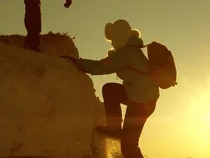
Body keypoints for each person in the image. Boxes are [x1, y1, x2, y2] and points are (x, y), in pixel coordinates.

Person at [62, 19, 159, 158]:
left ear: (120, 36)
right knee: (110, 90)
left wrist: (76, 62)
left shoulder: (128, 53)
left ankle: (114, 127)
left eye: (113, 39)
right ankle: (114, 127)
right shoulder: (132, 51)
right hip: (140, 99)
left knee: (129, 145)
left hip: (141, 102)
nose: (112, 42)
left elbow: (101, 67)